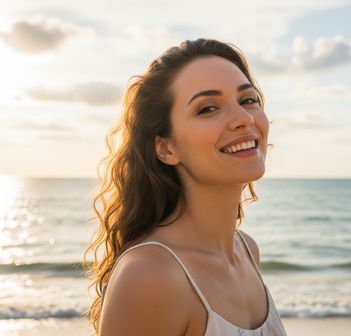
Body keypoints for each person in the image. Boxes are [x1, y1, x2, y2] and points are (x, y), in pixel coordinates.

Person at [84, 38, 288, 336]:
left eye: (248, 100)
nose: (244, 119)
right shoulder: (150, 274)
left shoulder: (246, 249)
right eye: (208, 108)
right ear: (166, 148)